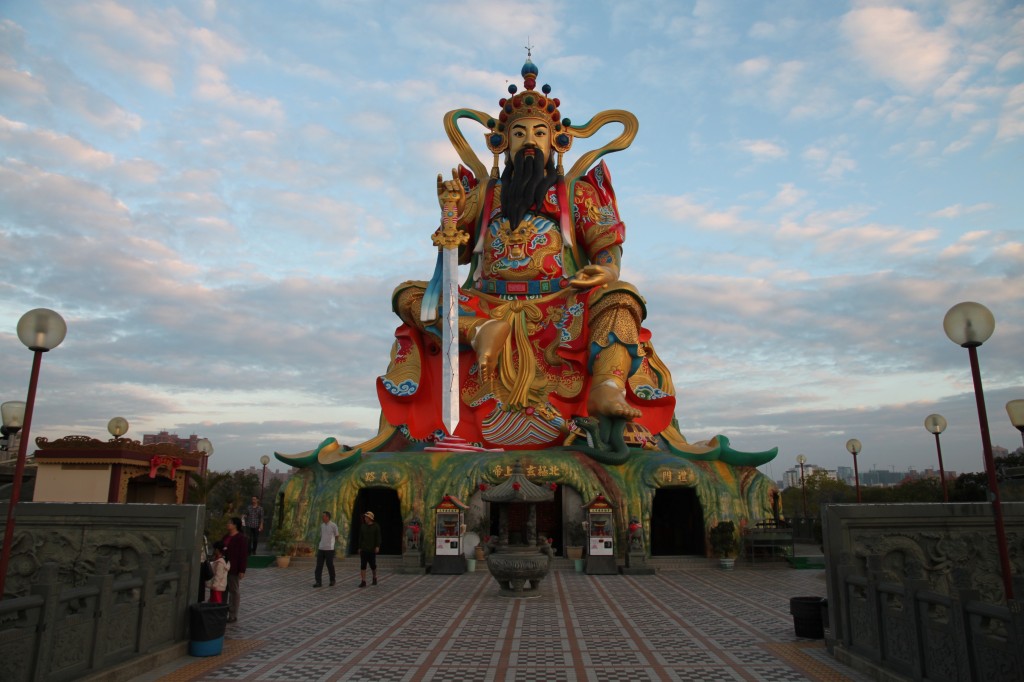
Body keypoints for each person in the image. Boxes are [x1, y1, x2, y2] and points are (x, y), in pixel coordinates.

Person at [378, 54, 677, 451]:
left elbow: (607, 250)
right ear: (503, 143)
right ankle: (477, 331)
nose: (530, 142)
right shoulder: (486, 194)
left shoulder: (577, 193)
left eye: (539, 133)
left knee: (622, 297)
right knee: (411, 295)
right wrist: (451, 211)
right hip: (486, 305)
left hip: (559, 304)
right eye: (519, 134)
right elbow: (455, 257)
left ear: (555, 141)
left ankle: (607, 387)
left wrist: (604, 273)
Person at [221, 517, 248, 623]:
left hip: (234, 568)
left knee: (234, 591)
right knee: (223, 589)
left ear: (235, 525)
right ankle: (222, 611)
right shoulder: (225, 537)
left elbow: (243, 555)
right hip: (223, 568)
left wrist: (242, 570)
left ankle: (233, 614)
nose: (228, 524)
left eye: (230, 523)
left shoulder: (241, 538)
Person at [313, 511, 339, 587]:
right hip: (321, 548)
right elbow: (321, 535)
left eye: (323, 516)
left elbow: (337, 535)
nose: (322, 517)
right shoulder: (322, 525)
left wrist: (332, 543)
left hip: (329, 549)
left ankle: (332, 580)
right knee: (319, 566)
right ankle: (318, 582)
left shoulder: (333, 525)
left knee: (330, 565)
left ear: (327, 517)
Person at [358, 511, 381, 588]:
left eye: (366, 517)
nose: (365, 518)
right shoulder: (363, 526)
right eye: (365, 517)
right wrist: (359, 547)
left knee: (373, 566)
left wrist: (377, 546)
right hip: (364, 549)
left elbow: (378, 537)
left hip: (371, 549)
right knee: (363, 566)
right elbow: (360, 538)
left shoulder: (376, 526)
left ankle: (374, 577)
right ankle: (363, 581)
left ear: (370, 518)